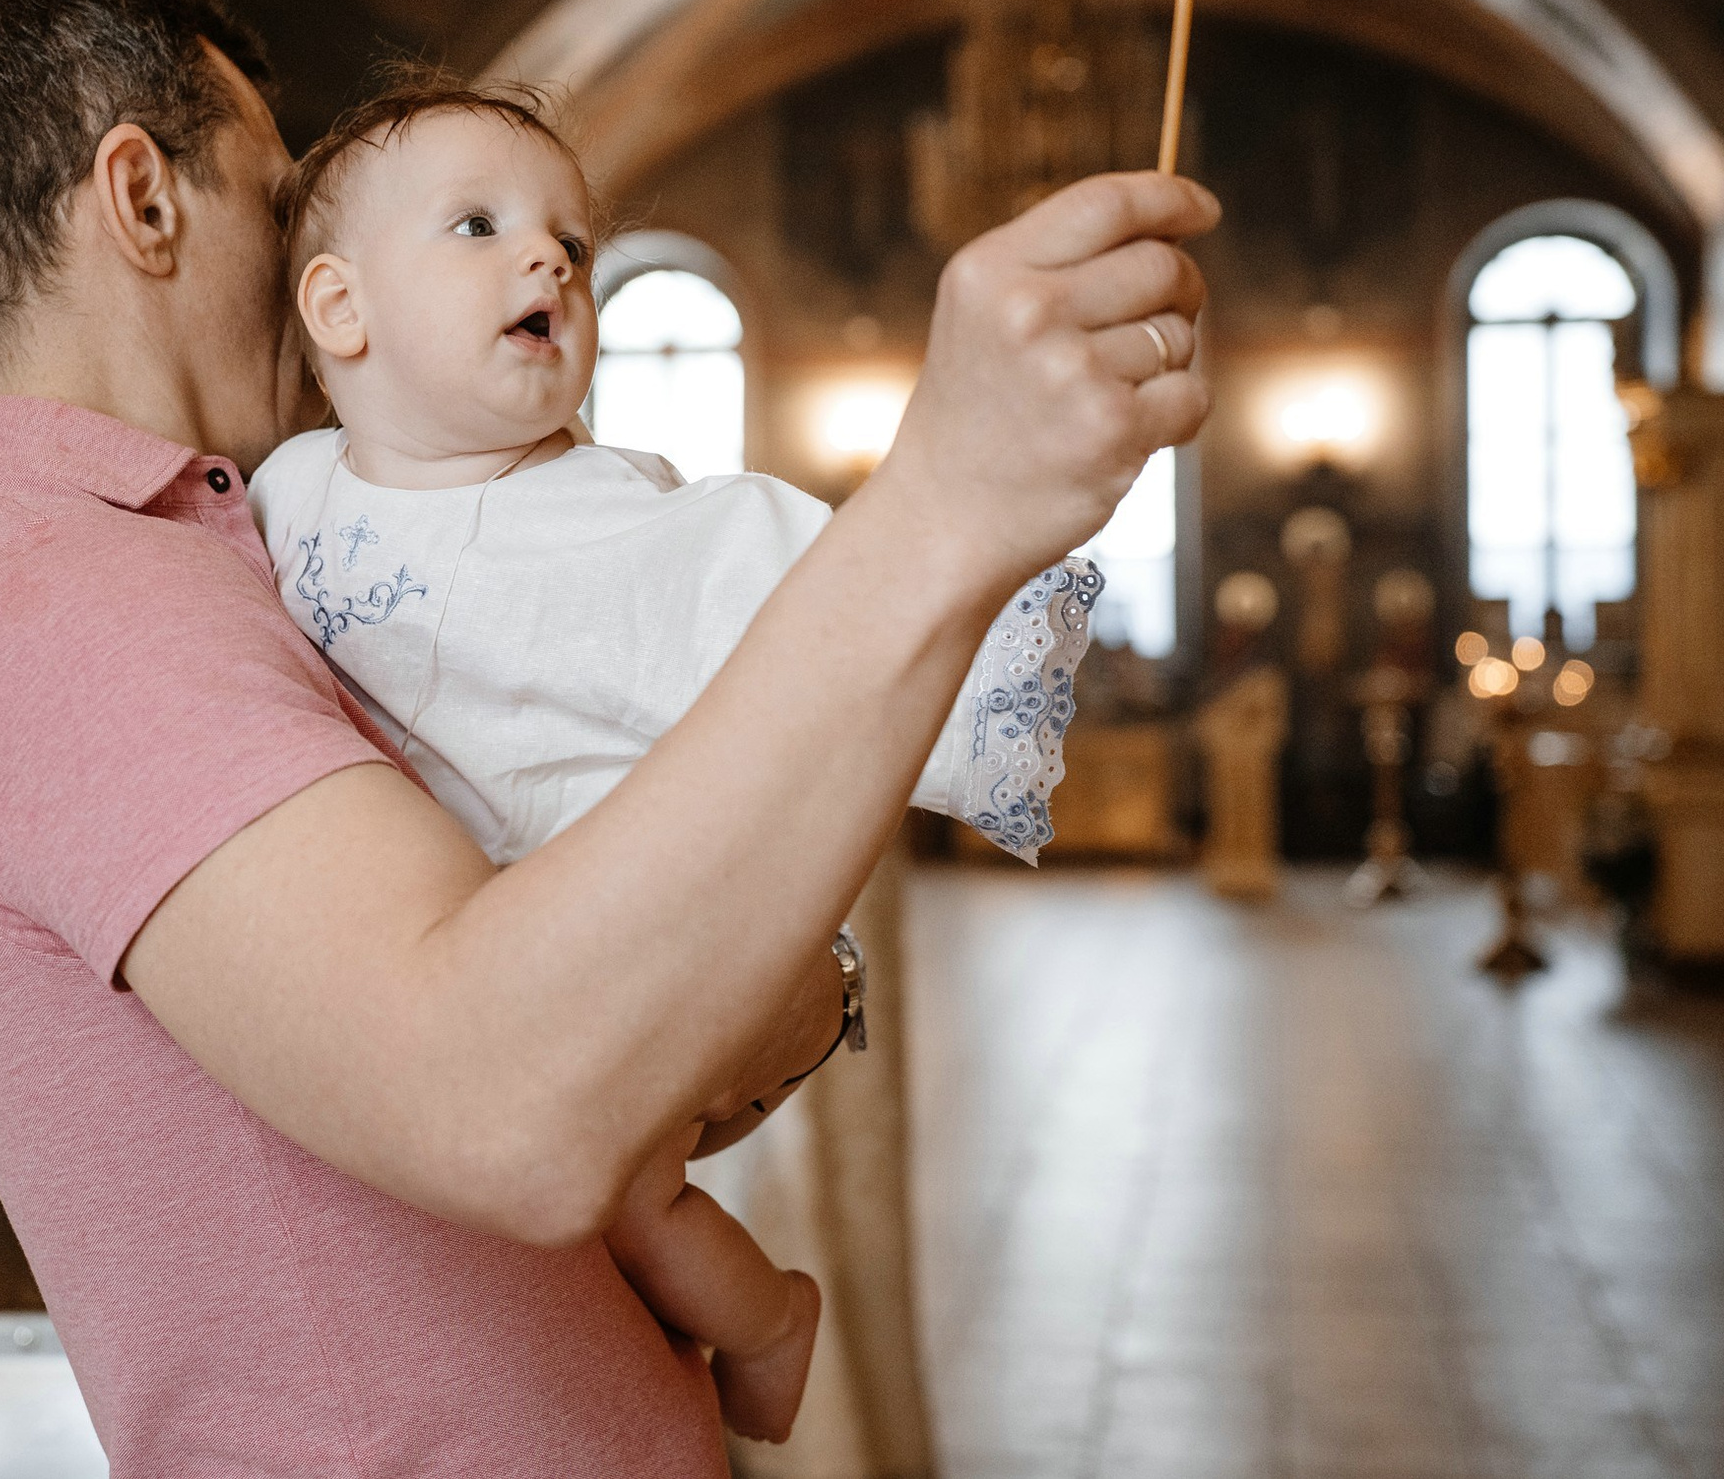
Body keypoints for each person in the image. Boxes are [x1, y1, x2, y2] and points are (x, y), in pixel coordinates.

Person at [0, 0, 1210, 1475]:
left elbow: (617, 1020)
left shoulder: (226, 543)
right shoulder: (58, 605)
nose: (301, 277)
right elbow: (510, 1106)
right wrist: (943, 497)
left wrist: (791, 992)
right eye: (281, 211)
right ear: (144, 199)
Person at [246, 79, 1102, 1441]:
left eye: (573, 245)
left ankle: (767, 1317)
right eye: (479, 226)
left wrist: (979, 550)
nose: (548, 260)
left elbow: (854, 611)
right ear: (339, 311)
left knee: (624, 1185)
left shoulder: (640, 520)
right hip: (433, 952)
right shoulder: (288, 493)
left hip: (623, 936)